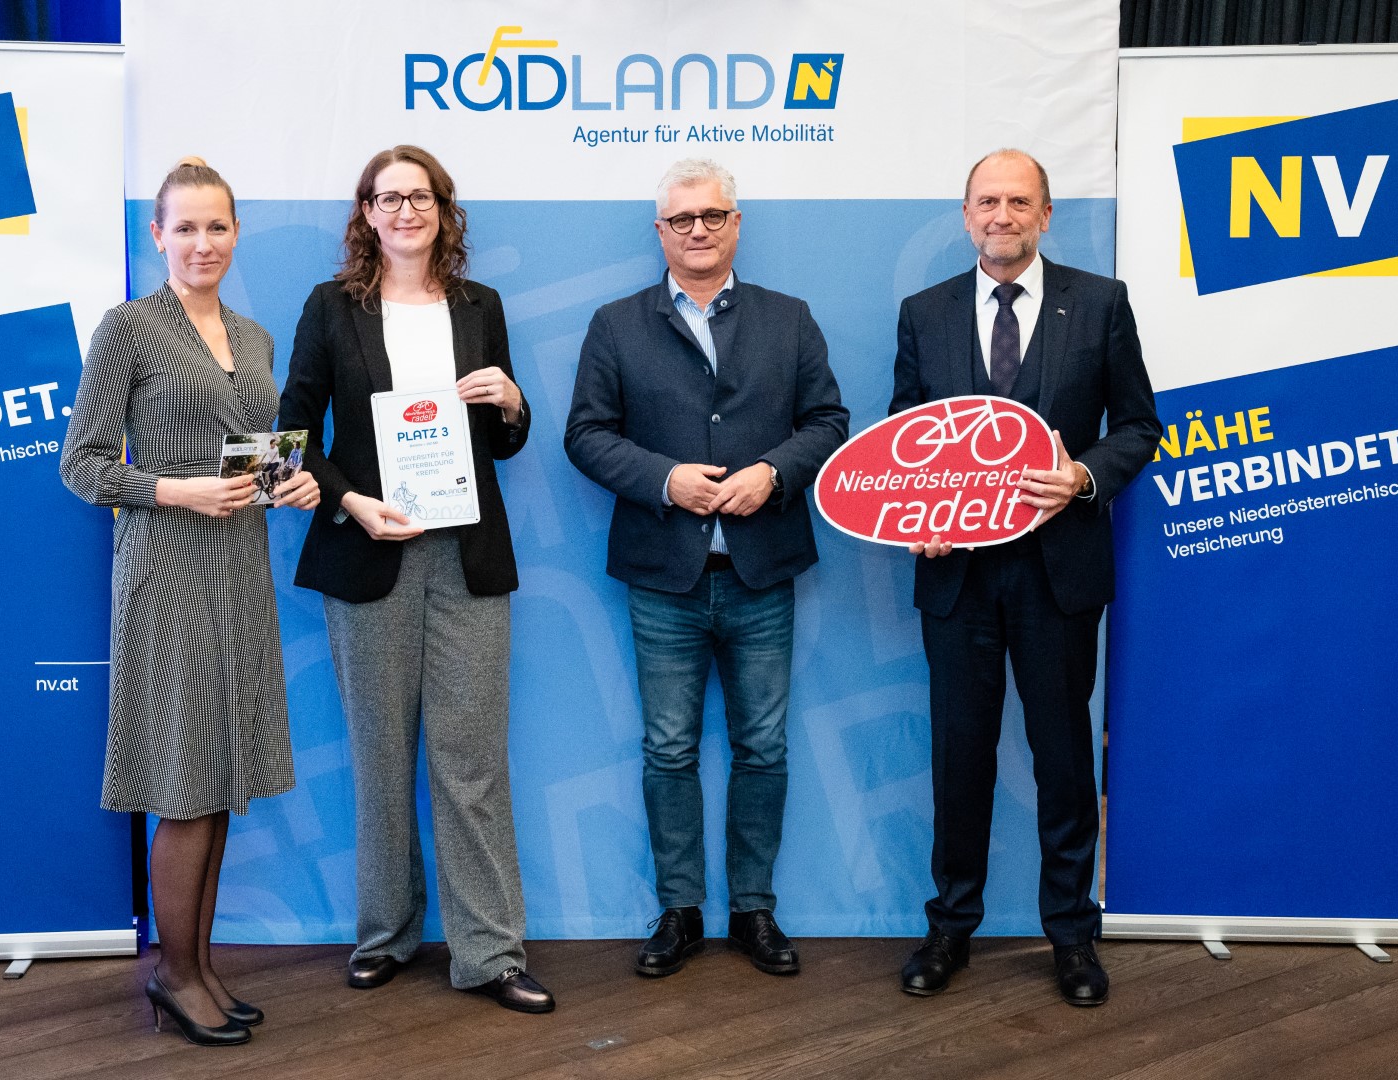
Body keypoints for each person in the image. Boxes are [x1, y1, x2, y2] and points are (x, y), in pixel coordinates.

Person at [275, 145, 553, 1014]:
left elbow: (503, 441)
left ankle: (490, 952)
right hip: (370, 548)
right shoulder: (331, 306)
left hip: (466, 556)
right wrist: (349, 501)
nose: (405, 211)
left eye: (419, 196)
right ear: (365, 212)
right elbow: (290, 431)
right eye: (387, 198)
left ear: (443, 208)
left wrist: (512, 402)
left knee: (473, 763)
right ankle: (384, 936)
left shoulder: (479, 306)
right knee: (380, 757)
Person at [565, 158, 849, 979]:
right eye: (682, 219)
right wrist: (664, 480)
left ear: (735, 223)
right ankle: (680, 911)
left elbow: (828, 420)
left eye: (712, 216)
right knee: (667, 750)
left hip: (762, 573)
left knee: (762, 747)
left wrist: (774, 473)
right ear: (659, 231)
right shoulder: (615, 324)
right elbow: (585, 434)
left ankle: (753, 910)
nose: (698, 230)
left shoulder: (788, 318)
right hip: (664, 577)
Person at [889, 149, 1160, 1006]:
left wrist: (1082, 477)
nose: (1000, 216)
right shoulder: (923, 313)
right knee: (958, 759)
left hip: (1057, 573)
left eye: (1017, 201)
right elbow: (903, 440)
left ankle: (1072, 938)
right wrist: (917, 517)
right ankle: (949, 929)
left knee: (1063, 761)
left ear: (1045, 215)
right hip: (957, 579)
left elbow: (1139, 426)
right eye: (986, 201)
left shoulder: (1101, 303)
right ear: (965, 215)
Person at [61, 157, 320, 1045]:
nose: (202, 243)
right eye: (185, 228)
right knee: (183, 780)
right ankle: (174, 976)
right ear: (158, 236)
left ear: (235, 232)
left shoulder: (253, 335)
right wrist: (174, 490)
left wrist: (292, 485)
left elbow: (255, 453)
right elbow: (82, 464)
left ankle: (199, 968)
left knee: (216, 775)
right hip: (165, 569)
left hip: (239, 567)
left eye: (216, 227)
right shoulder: (130, 328)